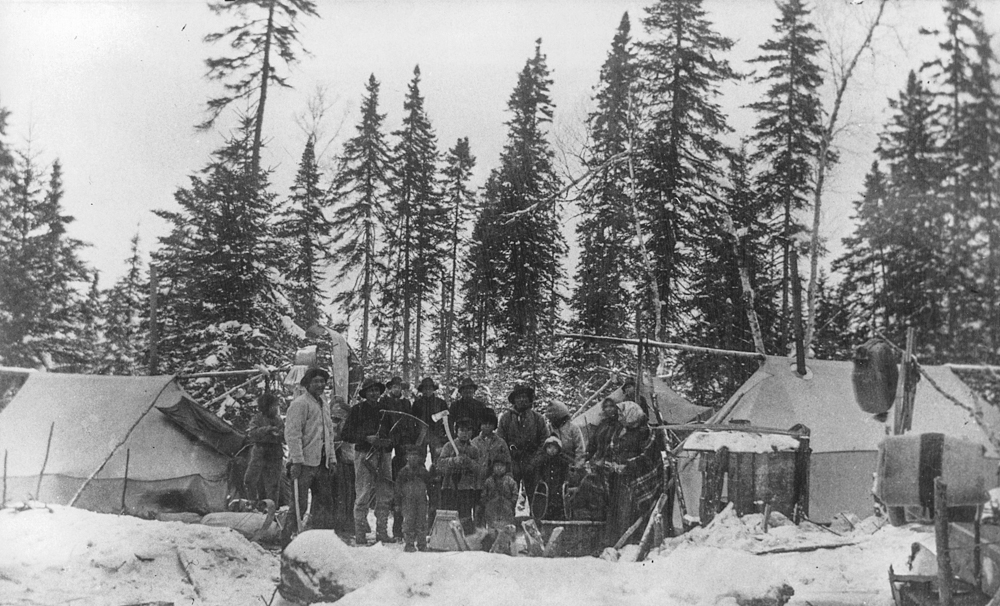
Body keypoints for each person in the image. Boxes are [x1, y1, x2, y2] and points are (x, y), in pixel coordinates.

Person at [284, 368, 338, 535]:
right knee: (299, 505)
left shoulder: (324, 404)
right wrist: (297, 461)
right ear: (307, 384)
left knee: (323, 503)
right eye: (316, 381)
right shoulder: (300, 404)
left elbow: (329, 432)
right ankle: (287, 538)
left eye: (322, 381)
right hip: (304, 464)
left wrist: (332, 458)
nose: (320, 384)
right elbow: (293, 434)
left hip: (322, 463)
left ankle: (316, 539)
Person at [341, 377, 395, 545]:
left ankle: (382, 532)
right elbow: (346, 434)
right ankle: (360, 533)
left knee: (384, 493)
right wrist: (366, 438)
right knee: (363, 493)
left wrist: (388, 441)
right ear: (365, 393)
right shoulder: (357, 410)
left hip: (384, 455)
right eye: (370, 390)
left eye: (376, 390)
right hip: (364, 455)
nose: (374, 393)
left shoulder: (386, 409)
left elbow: (396, 431)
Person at [603, 400, 659, 546]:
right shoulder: (621, 430)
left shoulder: (645, 432)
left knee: (631, 513)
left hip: (635, 479)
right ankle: (614, 543)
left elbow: (648, 456)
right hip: (619, 479)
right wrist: (611, 463)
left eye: (621, 413)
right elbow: (612, 450)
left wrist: (627, 466)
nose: (619, 416)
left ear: (630, 414)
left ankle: (631, 544)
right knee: (617, 513)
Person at [497, 383, 549, 512]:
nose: (522, 400)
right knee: (508, 494)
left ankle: (535, 524)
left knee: (535, 496)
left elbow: (545, 442)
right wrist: (509, 455)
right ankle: (507, 524)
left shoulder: (538, 419)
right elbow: (500, 441)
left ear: (529, 399)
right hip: (512, 462)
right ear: (514, 400)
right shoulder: (506, 418)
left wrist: (535, 460)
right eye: (518, 397)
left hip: (532, 462)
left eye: (525, 397)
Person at [410, 376, 449, 528]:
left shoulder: (440, 402)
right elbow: (412, 420)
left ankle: (436, 480)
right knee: (419, 462)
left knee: (437, 464)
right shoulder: (417, 403)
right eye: (425, 388)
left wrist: (438, 426)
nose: (427, 391)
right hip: (421, 436)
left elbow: (446, 417)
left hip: (436, 436)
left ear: (433, 389)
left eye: (430, 388)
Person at [380, 376, 415, 540]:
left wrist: (406, 440)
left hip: (401, 444)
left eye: (399, 387)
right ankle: (385, 526)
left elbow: (409, 423)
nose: (396, 389)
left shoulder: (406, 403)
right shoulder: (384, 402)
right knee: (388, 482)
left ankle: (401, 528)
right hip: (387, 444)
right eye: (394, 387)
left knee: (403, 481)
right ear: (390, 388)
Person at [437, 416, 484, 534]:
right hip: (449, 486)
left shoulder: (474, 449)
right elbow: (440, 464)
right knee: (450, 513)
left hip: (466, 488)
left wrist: (468, 461)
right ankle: (447, 539)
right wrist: (453, 461)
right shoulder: (449, 446)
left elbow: (479, 469)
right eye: (462, 430)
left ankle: (466, 540)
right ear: (456, 431)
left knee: (465, 515)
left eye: (468, 430)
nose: (465, 433)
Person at [471, 408, 510, 527]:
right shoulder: (474, 442)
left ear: (494, 426)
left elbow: (508, 462)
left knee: (495, 511)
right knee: (479, 511)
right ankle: (480, 535)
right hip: (478, 483)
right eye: (484, 424)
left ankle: (495, 536)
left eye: (490, 424)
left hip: (495, 483)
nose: (487, 426)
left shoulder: (500, 442)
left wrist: (507, 479)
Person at [243, 392, 285, 504]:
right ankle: (252, 503)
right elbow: (251, 433)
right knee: (250, 480)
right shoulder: (257, 419)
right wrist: (267, 429)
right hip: (259, 451)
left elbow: (285, 436)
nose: (276, 408)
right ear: (266, 407)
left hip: (275, 452)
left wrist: (280, 434)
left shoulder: (279, 420)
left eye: (276, 406)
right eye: (273, 406)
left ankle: (272, 508)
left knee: (273, 485)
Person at [394, 444, 431, 552]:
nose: (414, 458)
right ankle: (409, 544)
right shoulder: (403, 472)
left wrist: (432, 500)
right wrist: (397, 503)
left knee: (422, 522)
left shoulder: (423, 472)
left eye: (416, 455)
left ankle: (422, 544)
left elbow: (430, 486)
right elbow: (397, 489)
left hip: (421, 501)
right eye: (411, 455)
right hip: (407, 501)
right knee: (409, 522)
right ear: (407, 457)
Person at [480, 458, 517, 553]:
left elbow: (515, 493)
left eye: (501, 466)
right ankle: (490, 545)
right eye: (496, 466)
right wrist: (487, 504)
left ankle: (507, 547)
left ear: (505, 468)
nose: (499, 468)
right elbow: (484, 494)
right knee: (492, 530)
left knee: (506, 528)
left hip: (506, 510)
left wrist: (511, 503)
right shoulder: (489, 481)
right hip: (492, 511)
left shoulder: (510, 481)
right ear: (493, 468)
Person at [529, 436, 570, 520]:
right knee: (544, 502)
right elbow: (537, 471)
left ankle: (558, 517)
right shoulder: (542, 461)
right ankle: (542, 516)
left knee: (557, 502)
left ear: (558, 449)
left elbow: (566, 472)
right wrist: (539, 480)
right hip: (545, 486)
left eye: (555, 448)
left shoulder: (562, 462)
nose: (552, 450)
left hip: (557, 486)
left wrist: (566, 480)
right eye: (549, 447)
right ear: (545, 449)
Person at [545, 402, 585, 469]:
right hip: (553, 464)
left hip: (571, 464)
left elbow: (580, 449)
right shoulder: (548, 428)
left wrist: (578, 465)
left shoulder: (573, 428)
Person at [585, 398, 621, 464]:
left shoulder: (619, 424)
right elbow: (594, 442)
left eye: (611, 406)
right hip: (598, 459)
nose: (609, 409)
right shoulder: (602, 424)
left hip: (612, 461)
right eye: (606, 407)